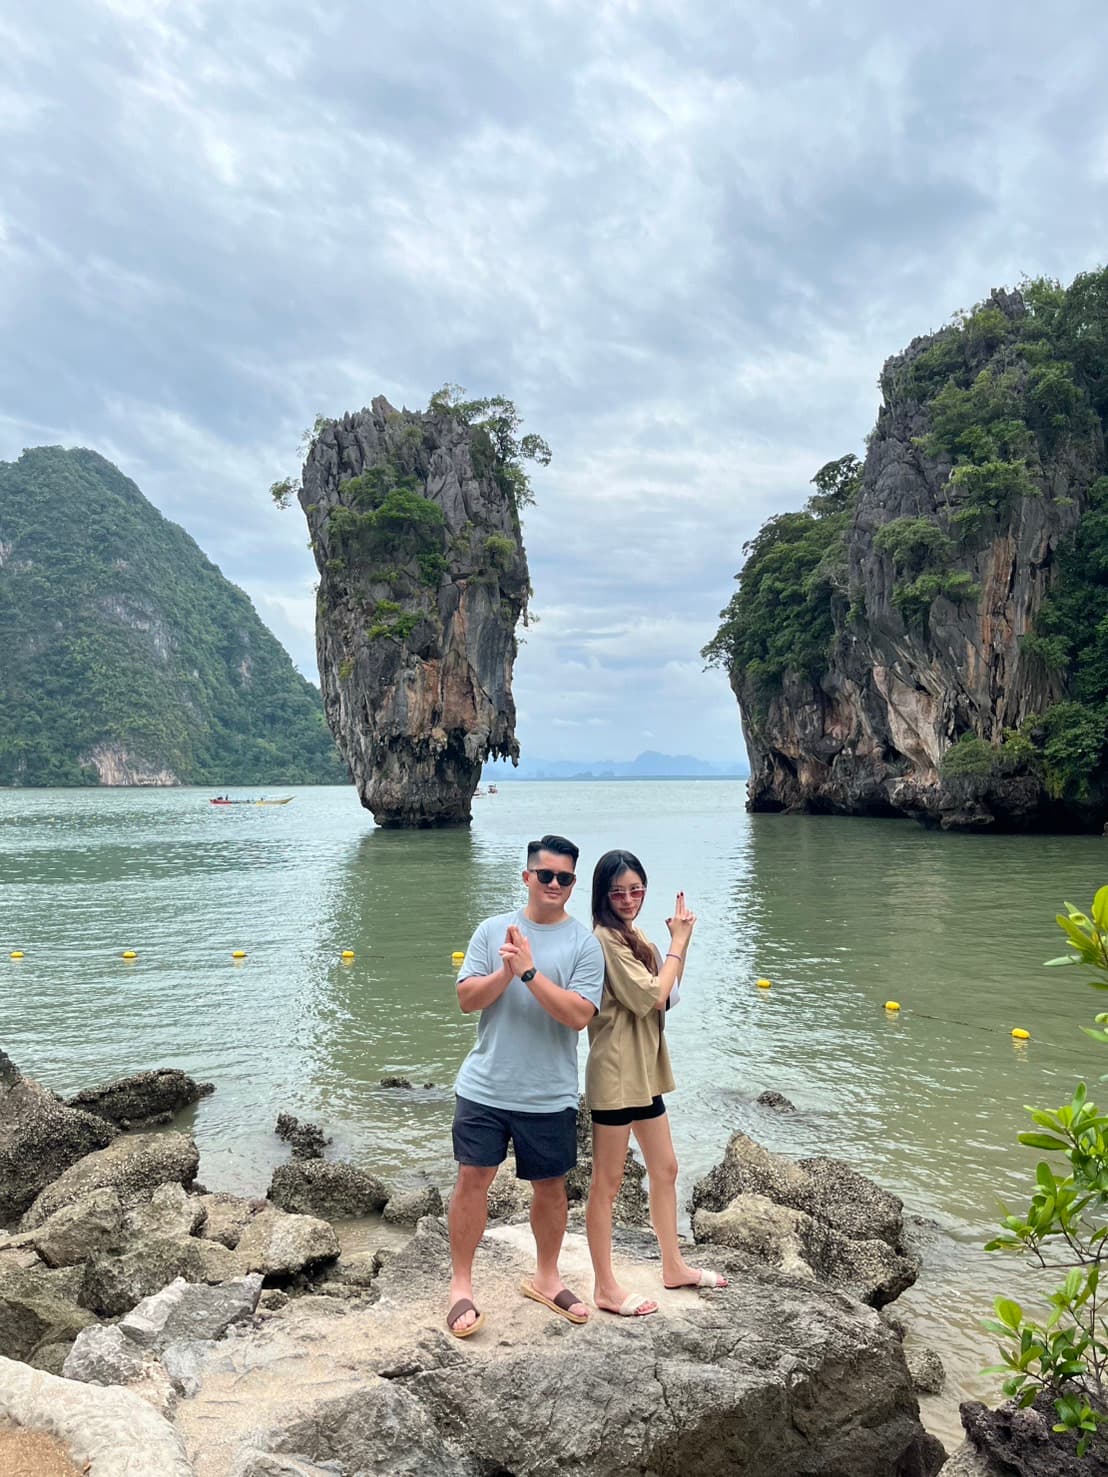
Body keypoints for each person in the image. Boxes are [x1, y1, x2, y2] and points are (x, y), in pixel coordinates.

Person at [446, 833, 605, 1338]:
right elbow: (467, 999)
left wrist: (531, 971)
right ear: (527, 877)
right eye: (546, 875)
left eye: (565, 878)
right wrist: (507, 972)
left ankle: (546, 1276)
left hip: (549, 1091)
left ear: (573, 884)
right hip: (485, 1086)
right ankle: (461, 1286)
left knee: (551, 1188)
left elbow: (579, 1016)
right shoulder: (494, 930)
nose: (554, 884)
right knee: (473, 1179)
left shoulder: (584, 943)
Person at [585, 848, 727, 1316]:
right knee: (607, 1182)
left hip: (644, 1071)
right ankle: (606, 1286)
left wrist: (675, 944)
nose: (629, 899)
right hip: (614, 1071)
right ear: (603, 895)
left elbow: (669, 996)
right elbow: (649, 995)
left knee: (665, 1168)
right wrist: (679, 945)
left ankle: (673, 1265)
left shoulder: (633, 936)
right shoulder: (604, 939)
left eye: (637, 890)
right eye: (619, 892)